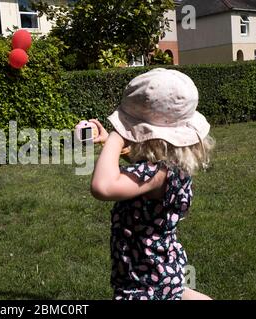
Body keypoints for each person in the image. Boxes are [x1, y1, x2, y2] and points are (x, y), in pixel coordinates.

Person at [89, 68, 215, 300]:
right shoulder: (169, 168)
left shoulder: (155, 175)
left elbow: (102, 186)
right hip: (163, 265)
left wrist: (118, 135)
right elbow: (140, 168)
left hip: (143, 279)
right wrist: (111, 141)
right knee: (180, 294)